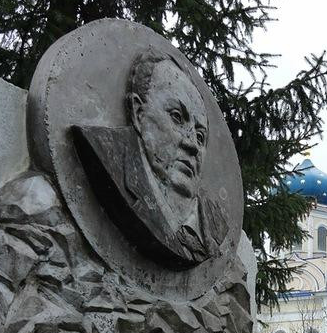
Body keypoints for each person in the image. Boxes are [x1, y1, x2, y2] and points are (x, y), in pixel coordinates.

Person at [72, 48, 228, 269]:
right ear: (138, 112)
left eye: (200, 135)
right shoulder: (103, 155)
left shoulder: (214, 223)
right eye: (177, 117)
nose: (192, 144)